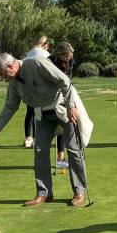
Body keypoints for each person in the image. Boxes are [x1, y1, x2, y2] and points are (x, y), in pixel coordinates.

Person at [0, 51, 88, 207]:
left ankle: (79, 192)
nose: (3, 78)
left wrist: (71, 106)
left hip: (63, 108)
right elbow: (10, 106)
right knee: (39, 151)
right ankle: (44, 193)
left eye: (3, 74)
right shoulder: (13, 83)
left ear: (11, 66)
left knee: (73, 149)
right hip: (42, 114)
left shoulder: (36, 63)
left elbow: (64, 81)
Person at [50, 41, 75, 172]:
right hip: (50, 97)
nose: (68, 58)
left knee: (64, 124)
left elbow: (68, 79)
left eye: (70, 56)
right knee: (52, 128)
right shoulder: (50, 62)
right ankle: (48, 159)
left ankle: (61, 159)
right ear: (58, 54)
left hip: (65, 95)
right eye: (65, 56)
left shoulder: (71, 61)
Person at [22, 36, 50, 148]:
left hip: (28, 89)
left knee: (30, 113)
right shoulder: (45, 55)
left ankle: (29, 138)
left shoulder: (28, 54)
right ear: (45, 45)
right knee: (37, 114)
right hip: (38, 90)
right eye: (47, 46)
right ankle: (35, 138)